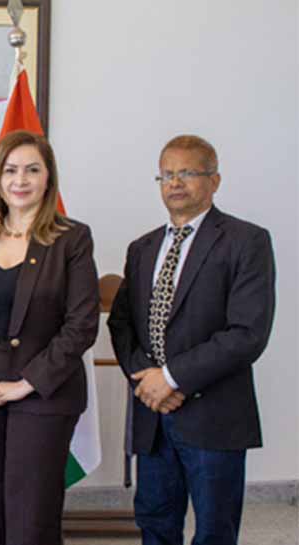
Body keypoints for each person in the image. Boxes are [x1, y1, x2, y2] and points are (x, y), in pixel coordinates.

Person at [108, 135, 275, 545]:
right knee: (155, 524)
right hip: (153, 416)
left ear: (214, 180)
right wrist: (148, 381)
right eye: (166, 174)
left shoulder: (246, 241)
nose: (175, 183)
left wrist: (171, 378)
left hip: (213, 416)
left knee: (215, 530)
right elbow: (122, 323)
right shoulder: (142, 248)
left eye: (187, 172)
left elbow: (247, 333)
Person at [0, 130, 99, 545]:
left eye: (32, 170)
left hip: (44, 393)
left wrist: (25, 384)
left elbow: (82, 325)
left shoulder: (72, 238)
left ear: (48, 178)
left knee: (31, 518)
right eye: (10, 170)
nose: (21, 180)